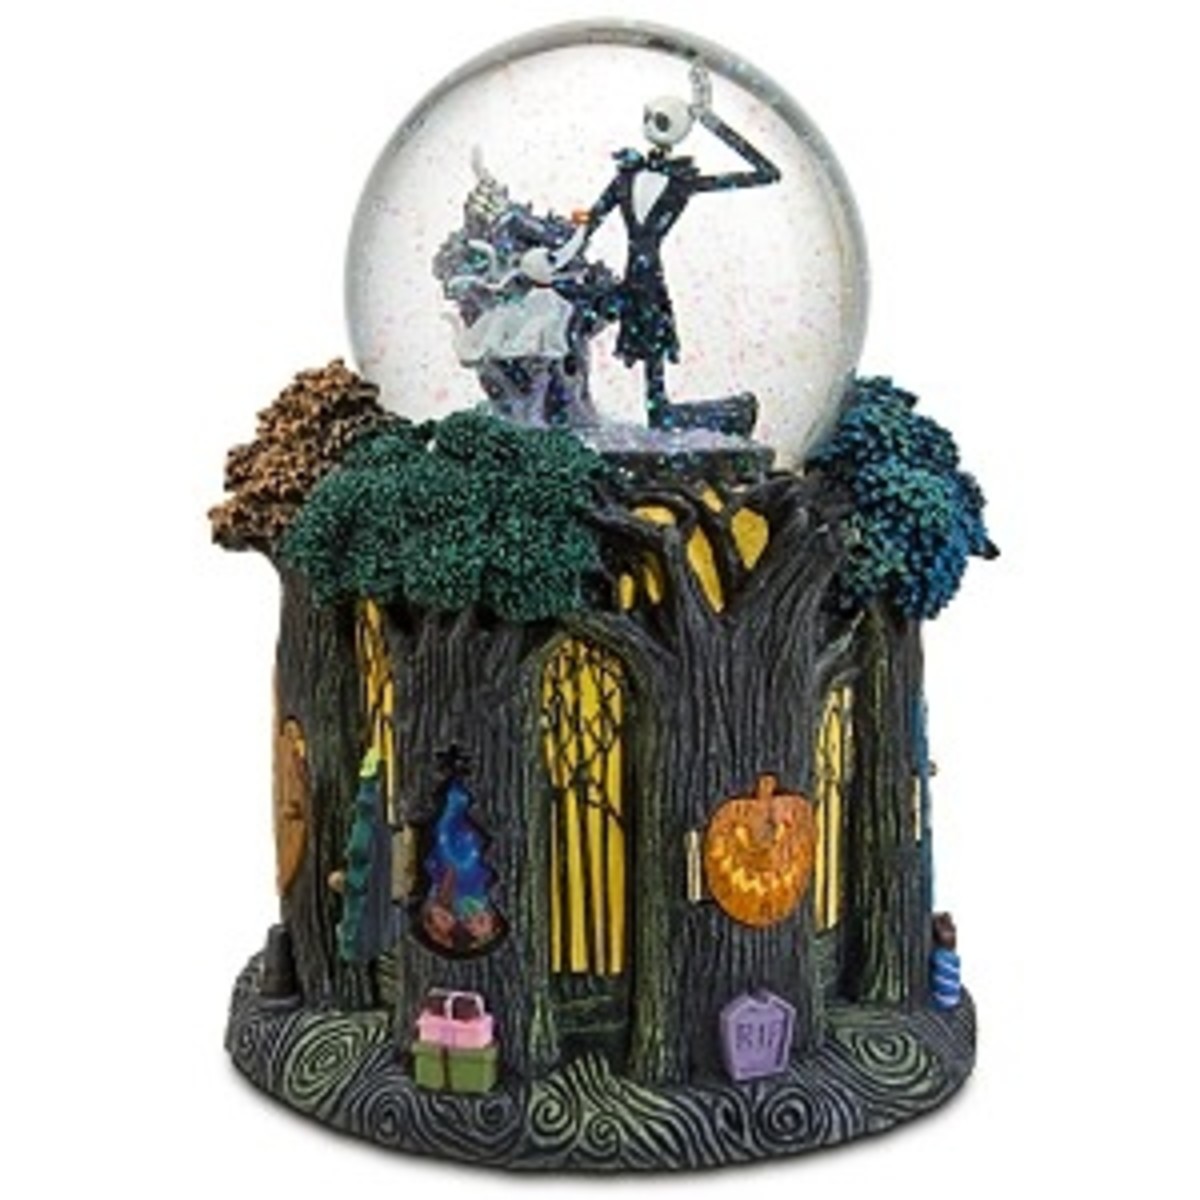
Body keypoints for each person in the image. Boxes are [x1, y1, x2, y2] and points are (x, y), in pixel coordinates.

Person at [583, 64, 780, 431]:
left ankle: (688, 416)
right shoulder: (625, 176)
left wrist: (709, 120)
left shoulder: (681, 182)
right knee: (580, 317)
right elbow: (590, 218)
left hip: (649, 284)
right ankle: (571, 407)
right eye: (648, 117)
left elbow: (766, 173)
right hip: (628, 280)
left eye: (660, 120)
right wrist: (565, 245)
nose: (651, 126)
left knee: (653, 359)